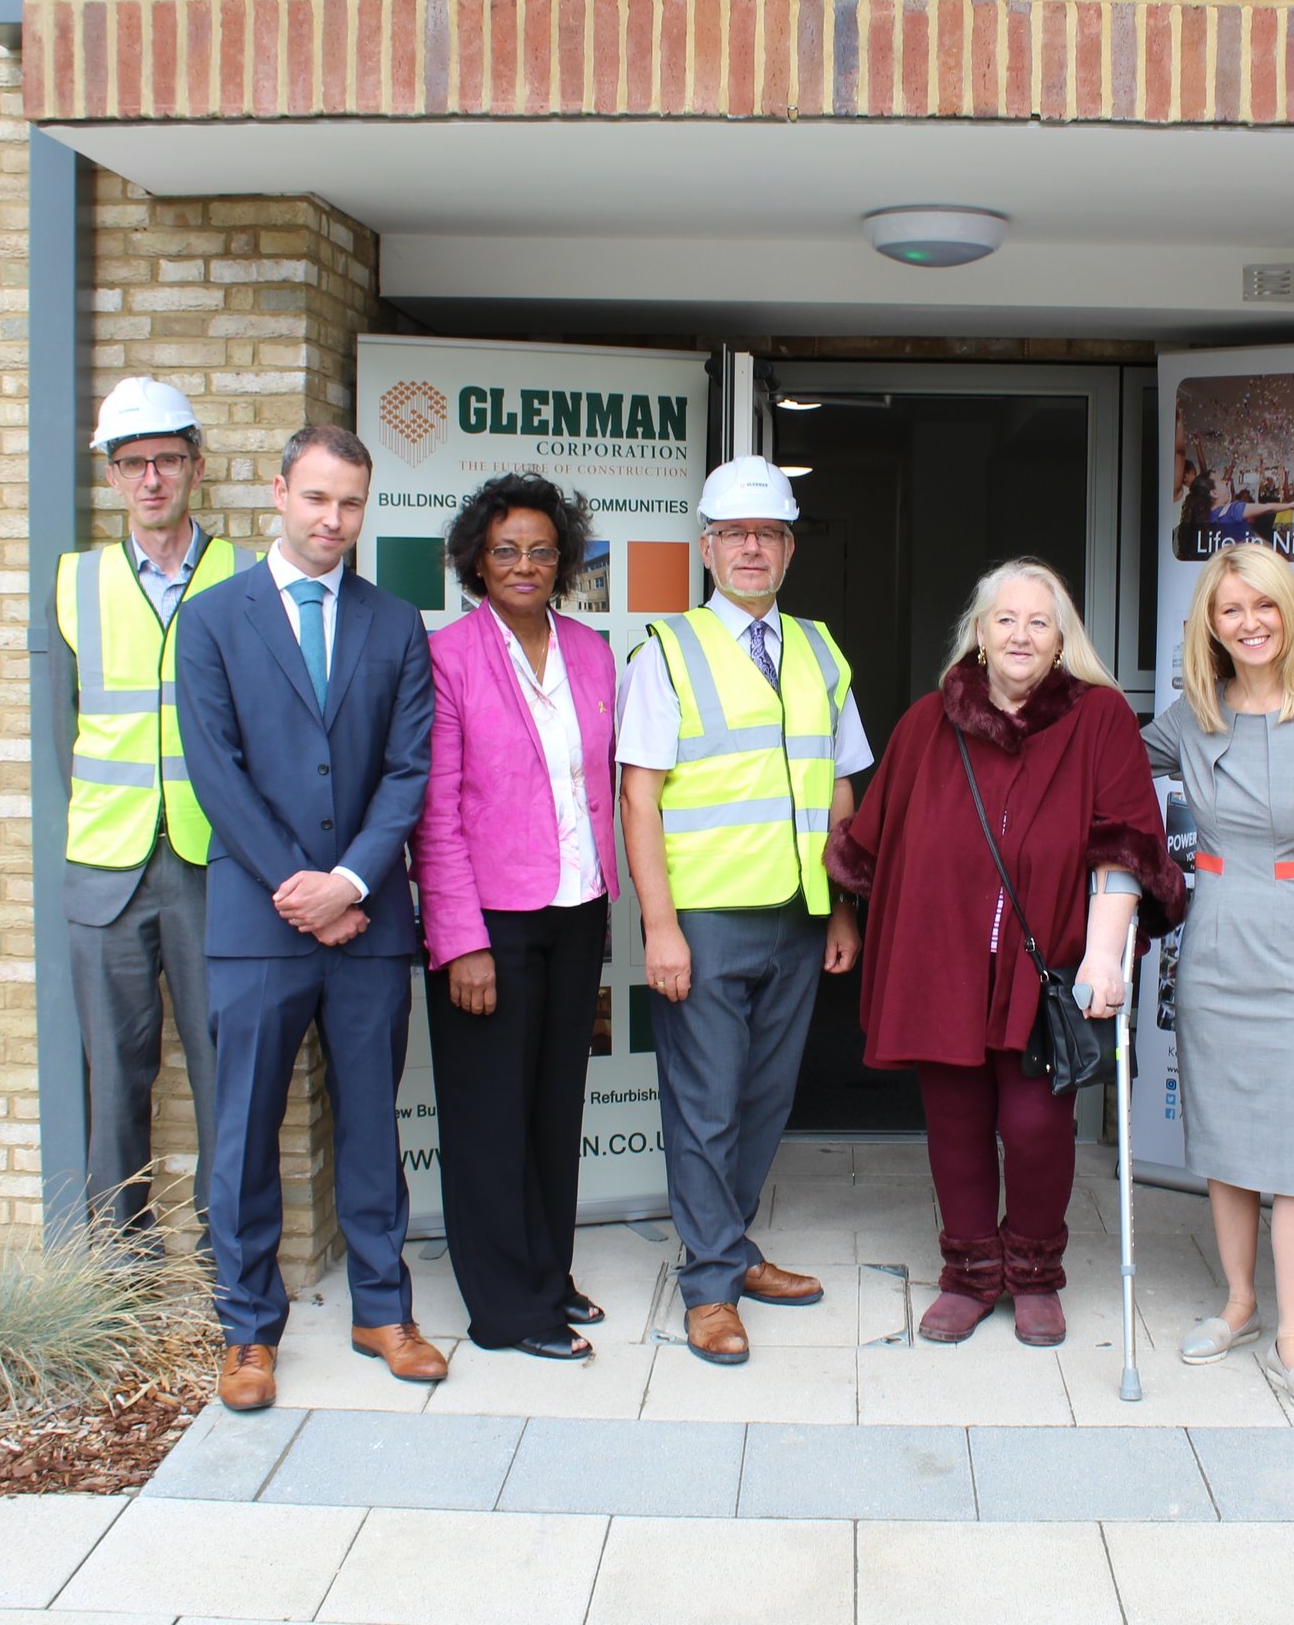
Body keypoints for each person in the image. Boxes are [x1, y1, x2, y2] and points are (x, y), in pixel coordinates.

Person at [827, 560, 1181, 1347]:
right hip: (941, 958)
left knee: (1033, 1126)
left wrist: (1105, 952)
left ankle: (1034, 1272)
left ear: (1062, 642)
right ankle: (969, 1274)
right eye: (1005, 620)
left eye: (1039, 622)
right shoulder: (929, 722)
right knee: (953, 1123)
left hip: (1045, 961)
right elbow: (877, 841)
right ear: (979, 635)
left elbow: (1123, 843)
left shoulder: (1100, 721)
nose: (1021, 634)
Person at [175, 423, 442, 1413]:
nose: (335, 521)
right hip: (256, 918)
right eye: (319, 498)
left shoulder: (395, 622)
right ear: (279, 493)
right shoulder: (211, 621)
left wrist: (353, 883)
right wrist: (302, 884)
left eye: (353, 504)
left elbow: (407, 771)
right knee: (242, 1132)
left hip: (367, 924)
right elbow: (216, 772)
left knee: (373, 1124)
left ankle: (383, 1307)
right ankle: (248, 1331)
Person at [617, 456, 868, 1367]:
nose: (751, 549)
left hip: (798, 915)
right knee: (705, 1105)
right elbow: (636, 800)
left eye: (767, 534)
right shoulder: (667, 652)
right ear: (707, 547)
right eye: (734, 535)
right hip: (708, 917)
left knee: (764, 1101)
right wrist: (660, 926)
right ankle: (712, 1285)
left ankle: (733, 1245)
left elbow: (839, 790)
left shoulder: (820, 649)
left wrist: (843, 912)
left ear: (790, 547)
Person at [1142, 544, 1294, 1418]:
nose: (1249, 623)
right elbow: (1112, 756)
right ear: (1209, 623)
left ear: (1290, 612)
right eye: (1229, 609)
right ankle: (1239, 1305)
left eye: (1263, 607)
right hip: (1217, 944)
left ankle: (1292, 1338)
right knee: (1231, 1148)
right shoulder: (1193, 714)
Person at [408, 473, 617, 1363]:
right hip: (488, 919)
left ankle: (546, 1269)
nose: (525, 564)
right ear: (476, 564)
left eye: (540, 549)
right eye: (505, 551)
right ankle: (504, 1309)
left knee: (550, 1105)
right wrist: (461, 941)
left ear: (563, 560)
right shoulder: (449, 656)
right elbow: (436, 812)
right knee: (489, 1115)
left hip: (578, 909)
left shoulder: (593, 650)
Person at [50, 377, 251, 1256]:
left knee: (226, 1076)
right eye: (133, 463)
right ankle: (122, 1275)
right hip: (107, 866)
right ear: (112, 475)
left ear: (196, 467)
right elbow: (61, 724)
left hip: (216, 862)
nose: (151, 478)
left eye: (167, 459)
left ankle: (227, 1266)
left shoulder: (243, 573)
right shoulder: (76, 582)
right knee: (114, 1081)